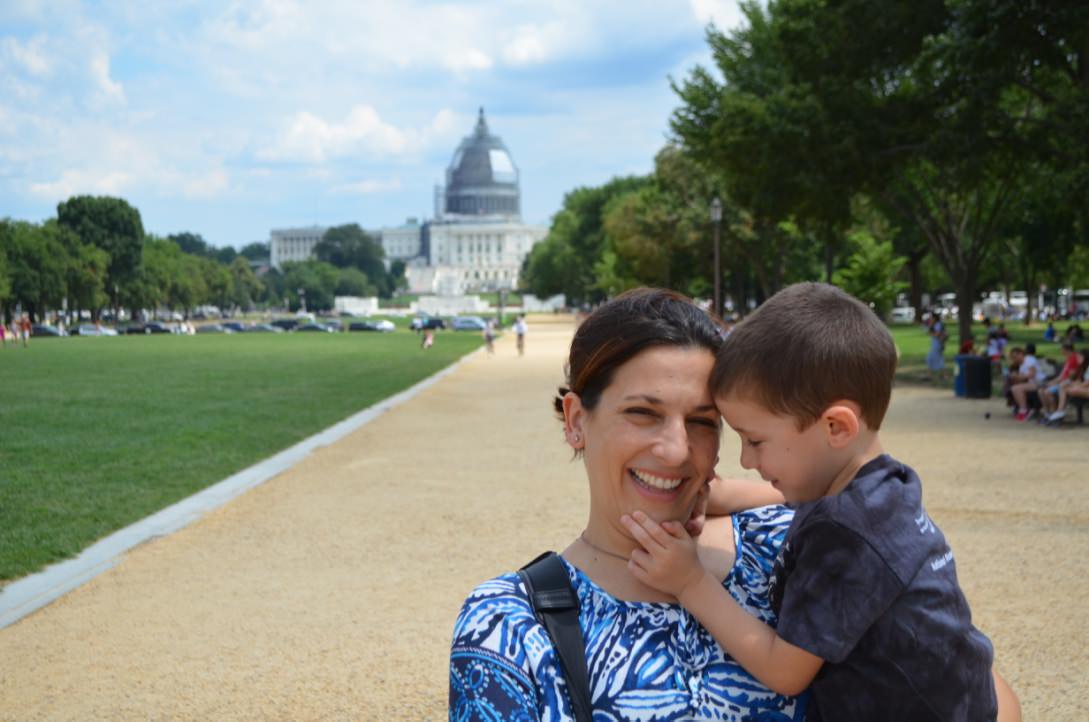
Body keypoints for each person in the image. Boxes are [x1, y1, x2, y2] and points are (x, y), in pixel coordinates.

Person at [622, 283, 1019, 722]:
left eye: (755, 440)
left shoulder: (845, 538)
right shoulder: (882, 485)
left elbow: (784, 671)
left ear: (835, 427)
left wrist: (690, 583)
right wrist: (715, 493)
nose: (746, 458)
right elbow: (789, 495)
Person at [450, 288, 806, 720]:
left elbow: (880, 499)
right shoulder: (510, 624)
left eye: (700, 422)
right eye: (643, 413)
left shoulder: (789, 546)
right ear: (577, 421)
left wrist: (728, 492)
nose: (676, 451)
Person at [1010, 342, 1048, 420]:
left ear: (1021, 354)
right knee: (1015, 388)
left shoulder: (1029, 360)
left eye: (1015, 356)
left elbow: (1032, 374)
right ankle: (1023, 409)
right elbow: (1022, 378)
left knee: (1017, 388)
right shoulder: (1022, 364)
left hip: (1040, 382)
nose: (1014, 359)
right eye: (1013, 358)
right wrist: (1015, 377)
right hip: (1033, 383)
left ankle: (1024, 410)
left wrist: (1018, 377)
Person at [925, 312, 946, 380]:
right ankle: (941, 375)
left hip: (937, 344)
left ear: (934, 318)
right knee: (937, 359)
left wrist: (930, 332)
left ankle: (930, 375)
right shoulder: (935, 324)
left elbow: (937, 334)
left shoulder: (938, 324)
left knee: (930, 358)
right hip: (935, 344)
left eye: (931, 317)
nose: (930, 319)